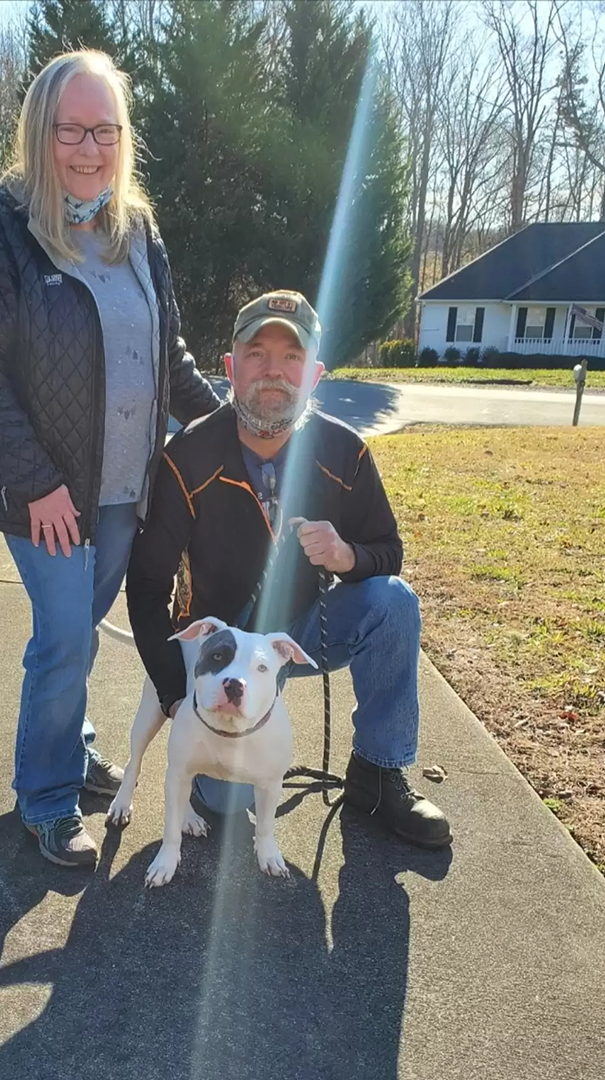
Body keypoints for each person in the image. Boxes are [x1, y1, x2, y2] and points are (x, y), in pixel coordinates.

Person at [0, 50, 222, 867]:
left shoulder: (135, 228)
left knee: (83, 635)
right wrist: (35, 483)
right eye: (72, 129)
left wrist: (231, 429)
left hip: (122, 486)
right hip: (44, 491)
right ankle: (45, 796)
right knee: (65, 635)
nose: (90, 148)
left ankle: (71, 747)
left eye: (106, 129)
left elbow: (168, 356)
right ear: (41, 131)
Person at [125, 289, 451, 849]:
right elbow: (149, 586)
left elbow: (388, 552)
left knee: (395, 603)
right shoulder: (188, 456)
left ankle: (379, 770)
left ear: (315, 374)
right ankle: (213, 766)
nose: (273, 372)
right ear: (229, 367)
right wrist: (180, 697)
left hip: (297, 632)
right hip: (220, 646)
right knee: (228, 807)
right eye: (256, 353)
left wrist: (348, 556)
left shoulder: (345, 452)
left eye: (292, 357)